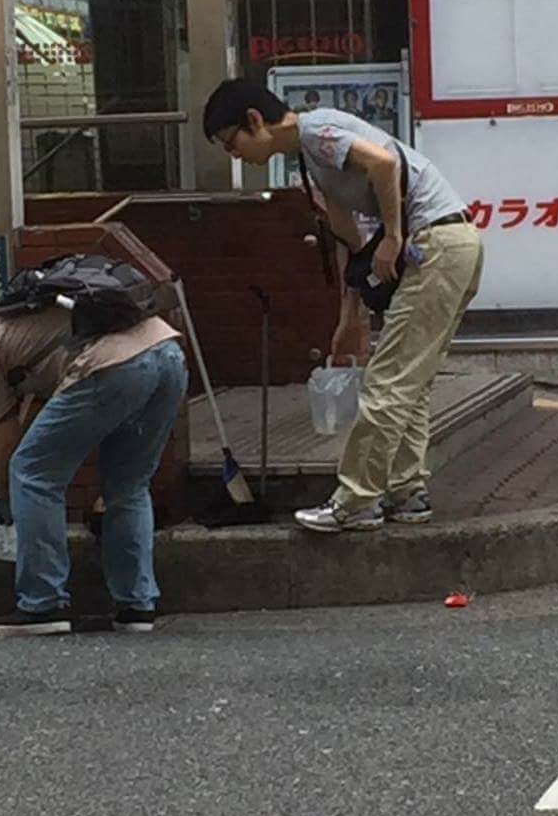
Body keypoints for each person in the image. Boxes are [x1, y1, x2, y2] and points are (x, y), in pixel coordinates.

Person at [203, 78, 483, 533]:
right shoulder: (312, 156)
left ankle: (356, 501)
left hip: (433, 243)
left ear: (255, 120)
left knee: (387, 382)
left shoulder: (316, 131)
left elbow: (383, 164)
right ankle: (406, 492)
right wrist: (347, 315)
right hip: (451, 244)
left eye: (231, 143)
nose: (235, 155)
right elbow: (350, 243)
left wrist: (393, 236)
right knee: (409, 382)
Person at [0, 281, 187, 637]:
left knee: (32, 474)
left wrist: (3, 491)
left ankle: (42, 603)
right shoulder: (19, 327)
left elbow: (9, 438)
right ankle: (136, 606)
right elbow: (7, 422)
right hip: (167, 355)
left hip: (113, 365)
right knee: (129, 486)